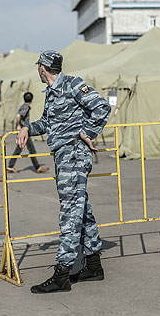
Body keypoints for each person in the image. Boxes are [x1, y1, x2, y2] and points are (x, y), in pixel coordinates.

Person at [16, 50, 111, 294]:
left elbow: (102, 107)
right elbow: (47, 123)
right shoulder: (51, 93)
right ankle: (93, 264)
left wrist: (87, 133)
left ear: (41, 68)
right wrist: (27, 128)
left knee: (70, 210)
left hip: (74, 154)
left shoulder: (73, 84)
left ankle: (62, 272)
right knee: (81, 207)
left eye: (38, 66)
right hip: (63, 155)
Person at [6, 92, 49, 174]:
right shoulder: (26, 107)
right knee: (31, 150)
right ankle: (37, 167)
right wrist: (19, 125)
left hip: (23, 131)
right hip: (24, 132)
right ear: (32, 99)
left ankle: (11, 166)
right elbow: (18, 116)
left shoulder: (23, 105)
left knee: (20, 149)